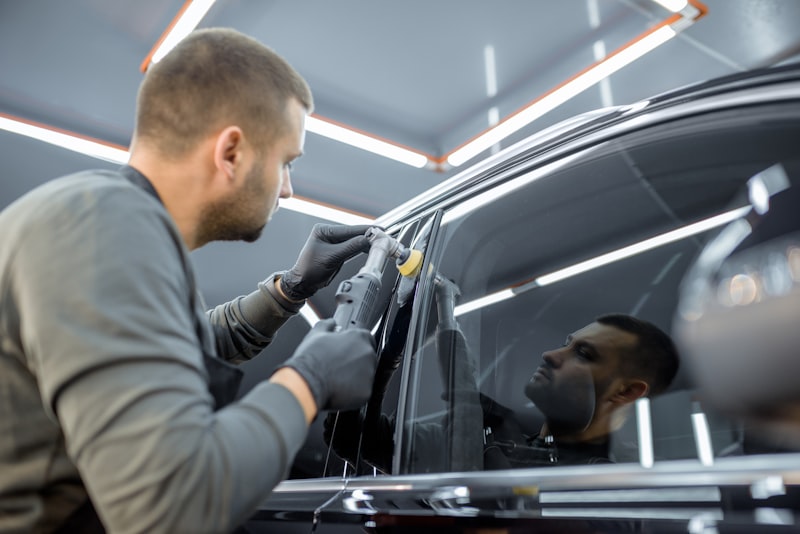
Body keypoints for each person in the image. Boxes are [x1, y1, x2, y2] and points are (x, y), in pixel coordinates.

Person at [0, 28, 378, 533]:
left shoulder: (99, 216)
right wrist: (308, 381)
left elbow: (167, 346)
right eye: (286, 163)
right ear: (231, 152)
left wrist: (288, 291)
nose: (287, 189)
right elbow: (172, 507)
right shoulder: (103, 234)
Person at [327, 299, 680, 472]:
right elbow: (351, 437)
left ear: (625, 392)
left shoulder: (617, 488)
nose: (550, 354)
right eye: (566, 343)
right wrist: (390, 353)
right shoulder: (490, 440)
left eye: (584, 354)